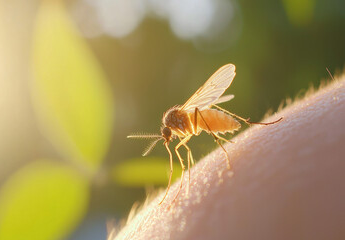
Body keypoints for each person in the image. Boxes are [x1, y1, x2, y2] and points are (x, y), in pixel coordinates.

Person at [112, 77, 345, 240]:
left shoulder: (180, 120)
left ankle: (251, 124)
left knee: (196, 120)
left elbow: (196, 115)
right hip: (204, 122)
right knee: (186, 146)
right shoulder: (176, 133)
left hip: (206, 119)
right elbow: (185, 147)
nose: (167, 140)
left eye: (166, 136)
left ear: (168, 129)